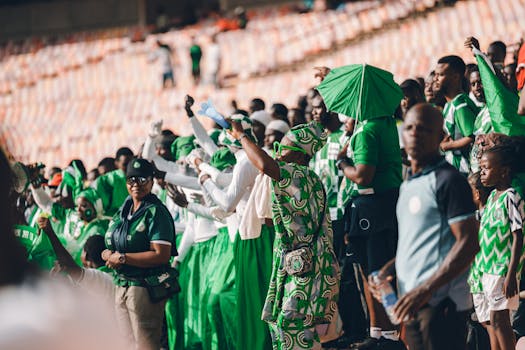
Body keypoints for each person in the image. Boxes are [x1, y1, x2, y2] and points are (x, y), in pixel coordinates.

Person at [371, 103, 479, 349]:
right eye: (409, 128)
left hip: (441, 303)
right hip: (411, 301)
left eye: (424, 129)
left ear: (440, 137)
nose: (415, 134)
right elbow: (416, 243)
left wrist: (426, 289)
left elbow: (469, 243)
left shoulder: (449, 181)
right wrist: (388, 271)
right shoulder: (409, 183)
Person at [229, 119, 340, 350]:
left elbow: (264, 164)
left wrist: (241, 136)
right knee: (287, 330)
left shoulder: (298, 174)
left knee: (293, 330)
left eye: (283, 149)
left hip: (303, 270)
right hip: (297, 265)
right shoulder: (307, 177)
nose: (277, 154)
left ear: (300, 156)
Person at [337, 96, 404, 347]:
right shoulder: (385, 122)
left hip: (372, 207)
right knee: (375, 272)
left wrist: (343, 163)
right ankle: (381, 332)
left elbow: (363, 176)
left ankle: (385, 333)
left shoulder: (367, 130)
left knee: (375, 273)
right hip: (384, 203)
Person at [103, 158, 176, 349]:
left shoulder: (155, 211)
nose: (136, 185)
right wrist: (107, 255)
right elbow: (110, 242)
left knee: (145, 343)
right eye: (131, 180)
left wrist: (123, 258)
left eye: (143, 179)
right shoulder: (124, 210)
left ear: (152, 181)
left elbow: (161, 254)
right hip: (121, 284)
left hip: (143, 287)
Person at [469, 140, 525, 350]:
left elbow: (518, 236)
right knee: (495, 320)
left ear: (503, 171)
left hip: (502, 269)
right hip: (488, 267)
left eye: (486, 168)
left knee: (501, 321)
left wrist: (511, 274)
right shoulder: (493, 196)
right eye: (480, 168)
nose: (482, 173)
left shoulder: (510, 197)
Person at [435, 55, 479, 174]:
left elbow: (472, 137)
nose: (436, 79)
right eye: (435, 74)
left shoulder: (460, 105)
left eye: (441, 75)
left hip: (464, 170)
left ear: (455, 77)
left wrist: (447, 146)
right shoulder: (450, 104)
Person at [93, 147, 134, 216]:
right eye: (125, 164)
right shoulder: (108, 179)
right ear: (116, 163)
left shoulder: (137, 178)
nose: (129, 167)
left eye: (131, 164)